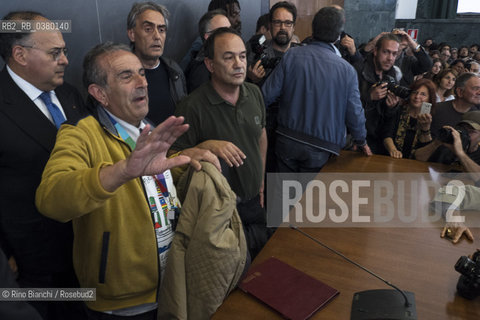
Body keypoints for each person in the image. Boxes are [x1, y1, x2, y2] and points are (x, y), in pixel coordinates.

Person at [35, 42, 220, 319]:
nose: (141, 83)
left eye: (141, 73)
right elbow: (50, 199)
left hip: (173, 286)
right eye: (126, 76)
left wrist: (186, 161)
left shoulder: (149, 128)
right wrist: (122, 171)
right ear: (100, 93)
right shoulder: (79, 134)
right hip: (123, 305)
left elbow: (150, 187)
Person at [0, 11, 86, 319]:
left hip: (88, 249)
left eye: (64, 50)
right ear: (20, 54)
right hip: (34, 265)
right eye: (55, 53)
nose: (64, 59)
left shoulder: (70, 94)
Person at [172, 27, 270, 259]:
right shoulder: (192, 106)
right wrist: (207, 146)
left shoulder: (254, 93)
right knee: (232, 275)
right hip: (221, 212)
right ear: (210, 65)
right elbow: (172, 158)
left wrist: (261, 180)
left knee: (263, 267)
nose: (238, 63)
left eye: (242, 56)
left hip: (255, 202)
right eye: (228, 57)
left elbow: (261, 136)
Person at [262, 6, 371, 173]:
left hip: (287, 140)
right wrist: (361, 140)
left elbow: (266, 95)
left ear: (313, 30)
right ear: (338, 36)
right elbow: (355, 113)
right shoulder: (347, 70)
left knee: (283, 196)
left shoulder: (291, 56)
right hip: (322, 147)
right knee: (309, 197)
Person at [417, 112, 480, 243]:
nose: (466, 135)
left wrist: (461, 153)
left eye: (472, 132)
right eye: (463, 130)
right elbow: (418, 158)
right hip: (436, 200)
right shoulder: (448, 144)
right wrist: (436, 143)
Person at [127, 2, 186, 125]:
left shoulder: (174, 71)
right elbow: (111, 123)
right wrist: (133, 144)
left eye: (161, 30)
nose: (157, 36)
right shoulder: (119, 75)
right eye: (148, 29)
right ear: (132, 34)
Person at [354, 33, 402, 154]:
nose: (390, 58)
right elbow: (344, 108)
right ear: (375, 51)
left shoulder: (392, 75)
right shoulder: (358, 71)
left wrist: (392, 107)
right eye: (386, 52)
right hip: (356, 139)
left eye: (394, 54)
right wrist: (368, 97)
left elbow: (388, 119)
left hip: (379, 141)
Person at [382, 79, 436, 159]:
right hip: (391, 158)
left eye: (423, 94)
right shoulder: (398, 110)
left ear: (429, 99)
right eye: (415, 92)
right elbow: (387, 134)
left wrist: (426, 128)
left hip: (415, 163)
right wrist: (393, 150)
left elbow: (426, 149)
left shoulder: (431, 119)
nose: (417, 97)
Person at [248, 1, 298, 85]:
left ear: (293, 27)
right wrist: (251, 78)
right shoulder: (256, 53)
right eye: (277, 22)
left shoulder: (301, 55)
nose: (282, 27)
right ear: (270, 26)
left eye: (288, 23)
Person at [184, 9, 231, 93]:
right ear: (208, 37)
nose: (231, 35)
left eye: (230, 30)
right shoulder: (201, 72)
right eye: (223, 31)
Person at [430, 72, 480, 138]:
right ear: (460, 92)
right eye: (475, 88)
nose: (479, 92)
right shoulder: (436, 109)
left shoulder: (477, 117)